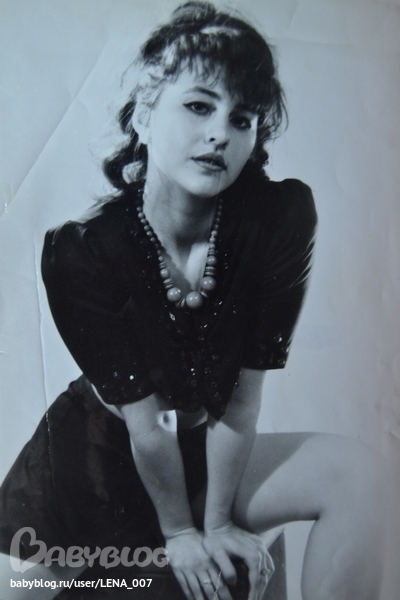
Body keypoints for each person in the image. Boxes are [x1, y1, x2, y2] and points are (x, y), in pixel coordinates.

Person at [0, 2, 387, 599]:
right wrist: (180, 532)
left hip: (206, 459)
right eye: (200, 106)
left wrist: (217, 522)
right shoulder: (81, 250)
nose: (220, 133)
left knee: (361, 476)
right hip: (91, 467)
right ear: (145, 116)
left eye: (242, 118)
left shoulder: (278, 220)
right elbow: (147, 421)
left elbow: (242, 399)